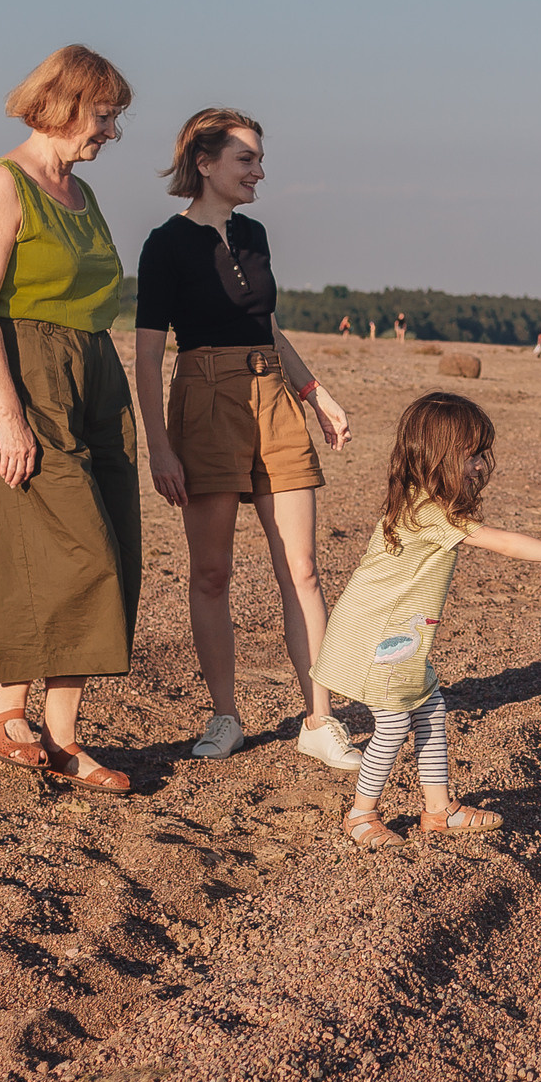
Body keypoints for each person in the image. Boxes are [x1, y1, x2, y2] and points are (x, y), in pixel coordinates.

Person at [133, 109, 361, 769]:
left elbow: (266, 326)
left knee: (303, 569)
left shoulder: (254, 234)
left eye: (259, 159)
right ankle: (225, 716)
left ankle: (320, 719)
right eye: (247, 160)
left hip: (274, 398)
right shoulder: (165, 245)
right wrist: (159, 447)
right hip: (204, 402)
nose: (259, 171)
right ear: (205, 164)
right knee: (212, 572)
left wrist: (317, 394)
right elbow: (147, 357)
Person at [0, 45, 139, 795]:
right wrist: (10, 416)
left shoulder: (82, 194)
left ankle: (63, 738)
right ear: (65, 105)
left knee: (113, 542)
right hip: (27, 369)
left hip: (94, 366)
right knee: (75, 546)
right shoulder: (3, 184)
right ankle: (6, 706)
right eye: (105, 116)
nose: (111, 132)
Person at [312, 393, 541, 844]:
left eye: (480, 454)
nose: (478, 465)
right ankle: (360, 815)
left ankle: (439, 810)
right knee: (392, 725)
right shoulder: (428, 512)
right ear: (441, 455)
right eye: (471, 455)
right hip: (378, 637)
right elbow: (503, 542)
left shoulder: (419, 498)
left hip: (393, 636)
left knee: (430, 708)